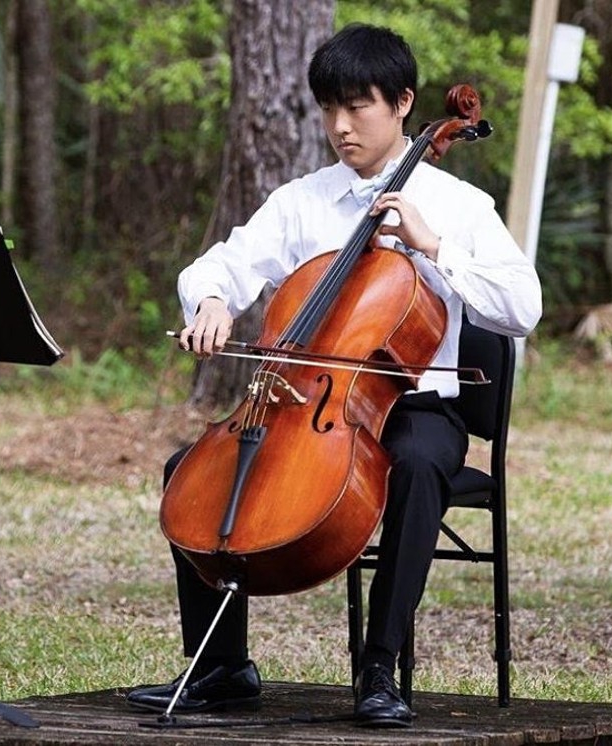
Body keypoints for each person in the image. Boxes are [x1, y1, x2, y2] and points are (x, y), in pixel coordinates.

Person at [126, 22, 541, 728]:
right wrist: (215, 301)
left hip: (419, 405)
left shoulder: (459, 208)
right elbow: (218, 265)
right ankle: (224, 666)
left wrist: (433, 247)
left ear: (404, 103)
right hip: (304, 403)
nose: (340, 126)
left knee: (414, 464)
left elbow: (522, 307)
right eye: (328, 109)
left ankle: (379, 670)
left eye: (358, 107)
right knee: (186, 468)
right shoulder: (302, 201)